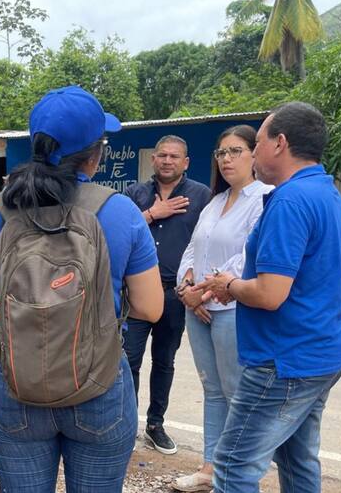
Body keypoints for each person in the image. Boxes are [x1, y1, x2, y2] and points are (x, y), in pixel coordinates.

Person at [0, 85, 163, 491]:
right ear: (96, 152)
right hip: (99, 385)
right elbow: (149, 308)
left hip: (18, 383)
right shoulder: (119, 210)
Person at [193, 102, 341, 493]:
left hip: (283, 361)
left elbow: (269, 294)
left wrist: (228, 286)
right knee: (297, 461)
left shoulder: (289, 201)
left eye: (258, 141)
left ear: (280, 143)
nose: (254, 150)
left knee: (232, 465)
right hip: (320, 353)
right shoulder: (324, 191)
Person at [171, 125, 273, 492]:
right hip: (198, 309)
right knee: (212, 390)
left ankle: (237, 474)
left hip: (231, 311)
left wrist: (206, 294)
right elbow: (192, 250)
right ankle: (210, 468)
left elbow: (247, 257)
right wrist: (186, 289)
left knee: (236, 392)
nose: (227, 159)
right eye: (221, 153)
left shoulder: (265, 198)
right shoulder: (216, 201)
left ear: (253, 155)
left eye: (236, 151)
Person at [122, 134, 211, 454]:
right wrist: (151, 214)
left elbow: (208, 245)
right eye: (162, 155)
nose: (168, 161)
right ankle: (125, 424)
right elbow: (120, 234)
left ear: (185, 162)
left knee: (164, 361)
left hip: (175, 293)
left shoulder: (202, 196)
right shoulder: (134, 194)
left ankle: (155, 424)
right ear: (153, 159)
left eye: (175, 156)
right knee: (128, 360)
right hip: (135, 292)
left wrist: (199, 289)